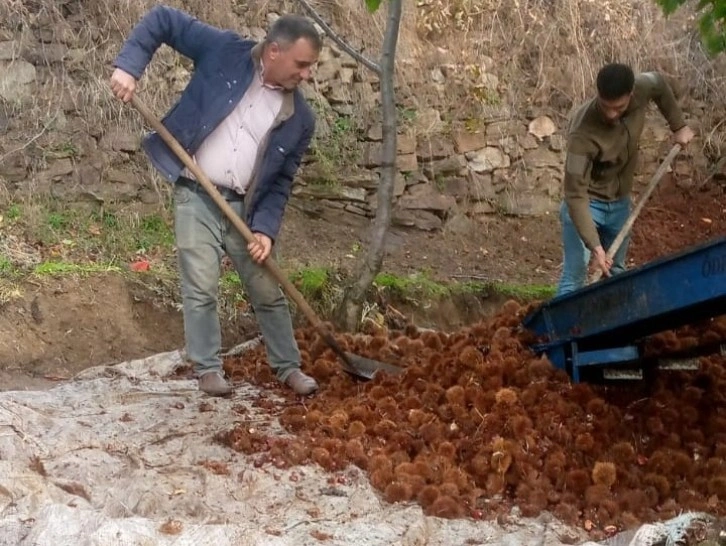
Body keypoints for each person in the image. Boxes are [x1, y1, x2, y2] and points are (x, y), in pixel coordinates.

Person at [109, 5, 322, 396]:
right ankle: (208, 369)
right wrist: (129, 68)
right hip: (197, 192)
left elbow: (280, 183)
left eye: (310, 67)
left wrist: (265, 231)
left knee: (266, 290)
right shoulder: (224, 50)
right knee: (201, 284)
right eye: (302, 63)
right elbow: (163, 20)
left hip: (246, 209)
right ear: (274, 51)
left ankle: (288, 367)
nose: (306, 74)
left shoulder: (299, 118)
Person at [556, 63, 695, 296]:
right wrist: (596, 247)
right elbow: (575, 194)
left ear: (631, 95)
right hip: (587, 205)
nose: (611, 114)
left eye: (618, 107)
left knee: (617, 273)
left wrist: (678, 125)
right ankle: (559, 331)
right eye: (605, 106)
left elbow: (659, 83)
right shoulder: (582, 133)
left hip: (620, 204)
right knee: (575, 276)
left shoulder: (642, 88)